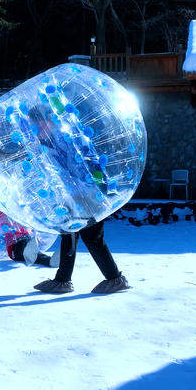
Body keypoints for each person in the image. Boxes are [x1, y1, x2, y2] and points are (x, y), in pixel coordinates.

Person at [27, 106, 128, 294]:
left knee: (92, 237)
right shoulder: (50, 140)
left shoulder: (65, 138)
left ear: (47, 121)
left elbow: (81, 167)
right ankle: (63, 280)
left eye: (36, 123)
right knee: (68, 234)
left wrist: (83, 191)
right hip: (74, 195)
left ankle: (115, 279)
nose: (34, 127)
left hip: (88, 194)